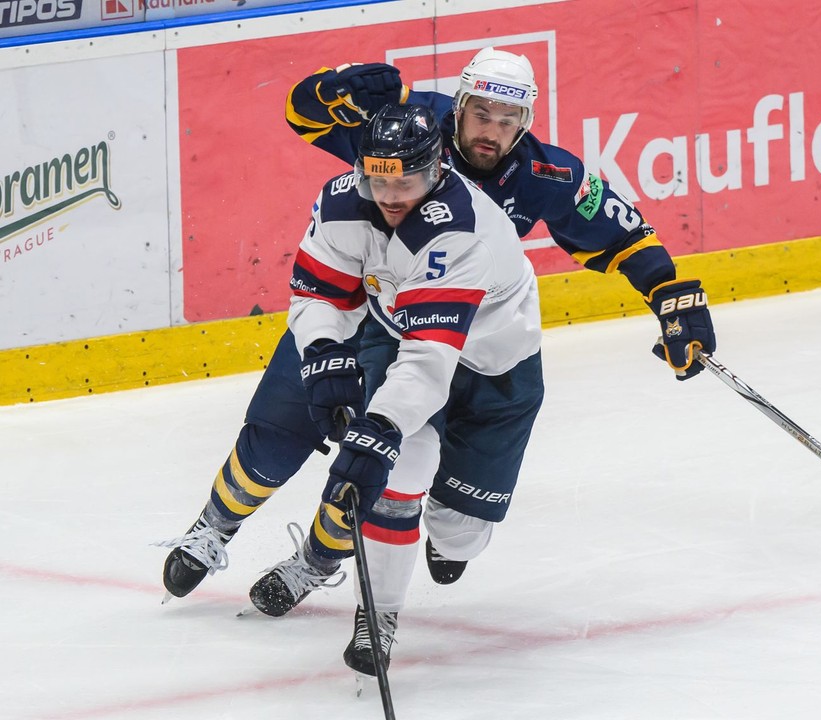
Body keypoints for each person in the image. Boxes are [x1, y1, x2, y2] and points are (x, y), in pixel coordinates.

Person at [158, 48, 715, 670]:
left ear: (526, 121)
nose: (491, 131)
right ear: (461, 104)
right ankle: (238, 536)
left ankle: (330, 555)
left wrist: (672, 294)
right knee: (303, 433)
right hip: (377, 316)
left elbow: (622, 231)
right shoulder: (407, 127)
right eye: (481, 112)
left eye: (508, 120)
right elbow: (303, 116)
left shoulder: (545, 177)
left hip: (476, 348)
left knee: (445, 519)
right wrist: (331, 90)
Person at [161, 102, 544, 675]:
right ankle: (365, 603)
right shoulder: (344, 198)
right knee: (380, 464)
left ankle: (364, 546)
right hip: (396, 332)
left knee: (447, 526)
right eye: (377, 177)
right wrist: (320, 350)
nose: (389, 194)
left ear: (437, 170)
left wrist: (380, 427)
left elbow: (430, 362)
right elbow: (319, 292)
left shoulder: (462, 234)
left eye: (406, 180)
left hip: (489, 366)